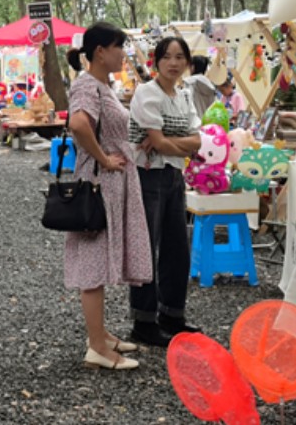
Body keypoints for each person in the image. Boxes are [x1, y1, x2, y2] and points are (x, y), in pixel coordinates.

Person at [64, 23, 154, 370]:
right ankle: (97, 346)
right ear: (100, 51)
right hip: (99, 185)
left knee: (100, 260)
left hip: (108, 183)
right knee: (93, 264)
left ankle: (100, 335)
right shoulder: (88, 84)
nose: (123, 54)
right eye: (119, 47)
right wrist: (104, 158)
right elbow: (78, 124)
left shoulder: (101, 84)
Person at [128, 36, 204, 347]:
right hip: (147, 176)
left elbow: (198, 140)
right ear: (156, 61)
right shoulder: (147, 93)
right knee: (147, 247)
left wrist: (170, 142)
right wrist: (178, 142)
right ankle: (143, 320)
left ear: (187, 62)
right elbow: (159, 143)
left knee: (177, 248)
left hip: (173, 174)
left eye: (179, 57)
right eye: (167, 57)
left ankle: (172, 314)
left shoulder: (184, 95)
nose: (173, 63)